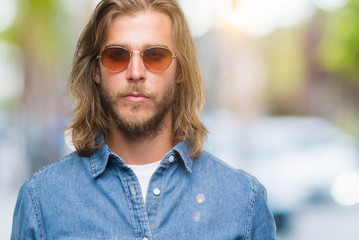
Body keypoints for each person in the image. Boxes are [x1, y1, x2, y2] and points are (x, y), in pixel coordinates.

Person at [11, 0, 277, 239]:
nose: (135, 72)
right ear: (95, 71)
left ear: (180, 71)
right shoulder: (42, 202)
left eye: (155, 56)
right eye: (117, 56)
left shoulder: (244, 201)